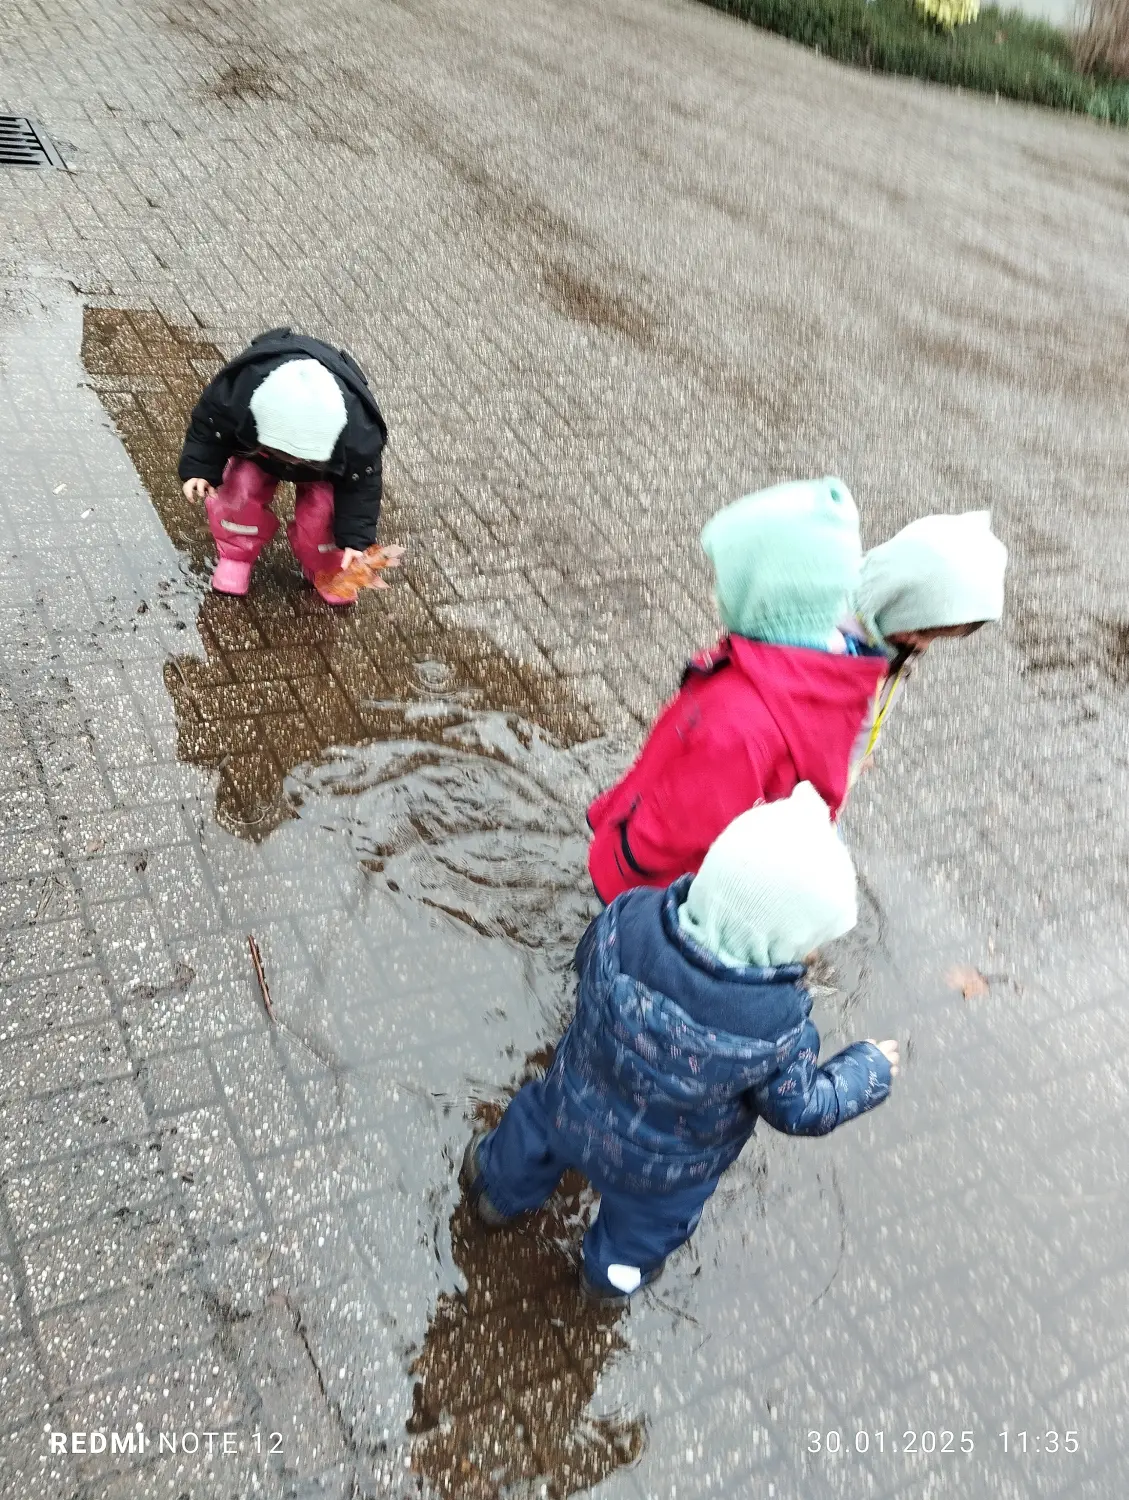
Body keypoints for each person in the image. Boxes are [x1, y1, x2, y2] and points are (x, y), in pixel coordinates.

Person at [460, 784, 898, 1303]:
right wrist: (865, 1071)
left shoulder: (631, 916)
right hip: (665, 1173)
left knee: (532, 1131)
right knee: (643, 1232)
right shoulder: (779, 1027)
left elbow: (586, 962)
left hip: (572, 1102)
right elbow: (800, 1110)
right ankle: (609, 1279)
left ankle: (493, 1190)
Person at [586, 478, 887, 904]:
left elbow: (684, 822)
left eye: (725, 583)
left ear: (769, 598)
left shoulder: (738, 720)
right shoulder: (820, 672)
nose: (714, 596)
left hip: (647, 882)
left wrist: (627, 852)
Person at [177, 327, 387, 604]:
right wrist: (200, 468)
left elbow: (362, 484)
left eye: (300, 457)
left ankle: (325, 565)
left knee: (324, 514)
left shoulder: (357, 435)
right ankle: (236, 553)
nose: (292, 462)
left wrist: (357, 540)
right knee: (236, 492)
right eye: (286, 454)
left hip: (325, 465)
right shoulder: (237, 394)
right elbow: (209, 427)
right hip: (256, 451)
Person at [846, 511, 1008, 784]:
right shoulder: (831, 646)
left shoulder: (890, 642)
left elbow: (872, 709)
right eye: (922, 630)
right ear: (899, 595)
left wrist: (860, 753)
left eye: (934, 636)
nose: (921, 644)